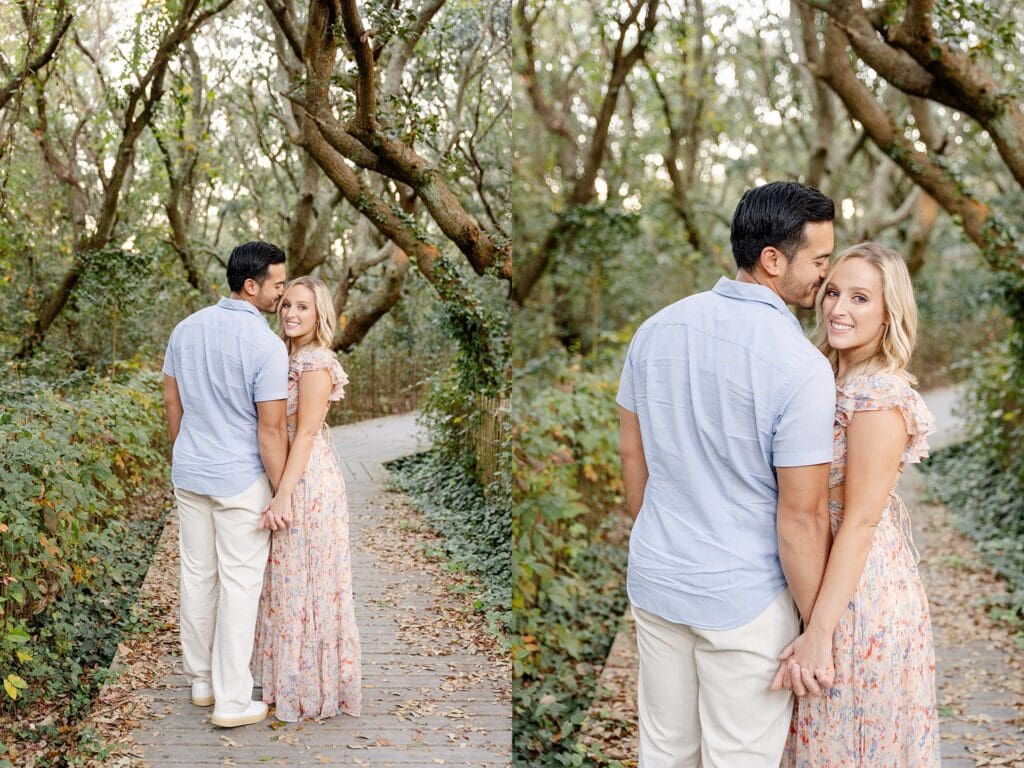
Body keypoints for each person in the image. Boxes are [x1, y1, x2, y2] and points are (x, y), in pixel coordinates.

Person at [616, 181, 839, 768]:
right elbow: (802, 516)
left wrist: (663, 535)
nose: (825, 276)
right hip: (747, 600)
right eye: (818, 260)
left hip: (660, 578)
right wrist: (817, 626)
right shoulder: (801, 368)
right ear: (773, 260)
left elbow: (632, 458)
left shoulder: (655, 331)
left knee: (664, 750)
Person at [778, 243, 941, 766]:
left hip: (859, 596)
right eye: (833, 292)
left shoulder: (878, 395)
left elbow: (861, 523)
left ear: (889, 313)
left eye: (860, 297)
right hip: (814, 575)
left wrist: (820, 629)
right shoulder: (824, 378)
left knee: (852, 743)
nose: (838, 309)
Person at [162, 241, 289, 728]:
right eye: (277, 284)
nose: (281, 292)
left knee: (197, 575)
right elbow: (272, 430)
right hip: (240, 479)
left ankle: (201, 681)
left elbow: (173, 405)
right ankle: (232, 700)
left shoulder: (185, 329)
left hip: (191, 473)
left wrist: (186, 452)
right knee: (239, 585)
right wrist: (282, 492)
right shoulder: (266, 346)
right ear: (251, 286)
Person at [251, 276, 362, 722]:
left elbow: (309, 432)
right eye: (288, 306)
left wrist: (283, 495)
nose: (292, 314)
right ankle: (284, 684)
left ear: (320, 316)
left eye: (303, 308)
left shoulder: (316, 362)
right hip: (286, 472)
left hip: (309, 479)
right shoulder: (282, 355)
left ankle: (311, 690)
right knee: (286, 583)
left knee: (309, 583)